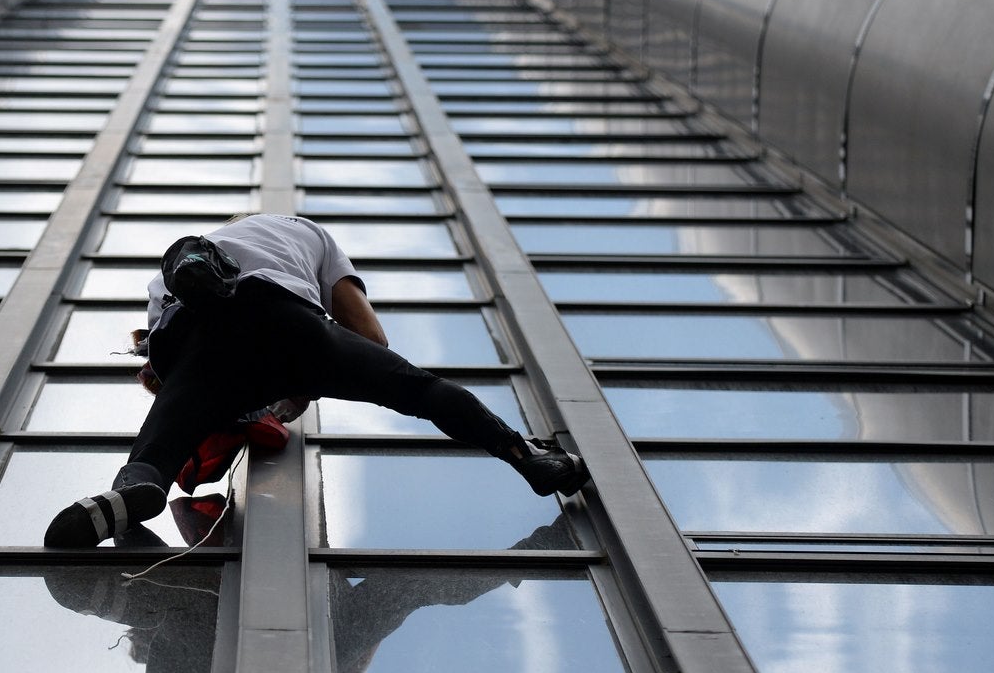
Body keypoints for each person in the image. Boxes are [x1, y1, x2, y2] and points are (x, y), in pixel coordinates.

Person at [43, 214, 589, 547]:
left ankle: (137, 491)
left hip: (199, 346)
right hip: (283, 321)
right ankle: (525, 455)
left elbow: (166, 362)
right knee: (420, 390)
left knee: (157, 450)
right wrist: (306, 386)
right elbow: (370, 337)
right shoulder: (307, 233)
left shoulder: (193, 256)